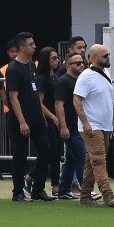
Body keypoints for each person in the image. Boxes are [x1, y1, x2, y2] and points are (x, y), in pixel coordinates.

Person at [71, 43, 114, 208]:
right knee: (99, 160)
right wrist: (85, 123)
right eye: (105, 56)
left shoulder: (105, 73)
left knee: (92, 160)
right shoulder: (86, 76)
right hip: (92, 125)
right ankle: (107, 194)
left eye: (108, 55)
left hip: (104, 125)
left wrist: (111, 120)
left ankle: (85, 194)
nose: (108, 58)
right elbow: (77, 100)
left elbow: (106, 100)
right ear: (93, 58)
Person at [5, 32, 55, 202]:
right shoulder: (13, 69)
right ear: (22, 47)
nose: (34, 47)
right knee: (20, 155)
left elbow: (33, 93)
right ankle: (17, 192)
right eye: (31, 44)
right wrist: (22, 121)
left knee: (46, 151)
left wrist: (41, 115)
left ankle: (38, 189)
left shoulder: (32, 66)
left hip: (36, 119)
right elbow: (13, 97)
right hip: (21, 121)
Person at [53, 51, 88, 200]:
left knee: (71, 160)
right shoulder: (63, 81)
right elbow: (58, 105)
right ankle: (86, 189)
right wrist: (63, 126)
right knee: (82, 156)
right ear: (68, 65)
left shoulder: (80, 80)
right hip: (70, 126)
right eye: (78, 63)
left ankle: (64, 190)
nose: (81, 66)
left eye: (83, 63)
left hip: (78, 125)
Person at [36, 46, 68, 196]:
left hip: (57, 118)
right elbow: (39, 103)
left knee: (57, 152)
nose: (57, 61)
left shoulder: (56, 76)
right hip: (48, 119)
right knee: (50, 152)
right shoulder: (41, 79)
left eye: (57, 58)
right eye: (53, 58)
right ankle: (41, 181)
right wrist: (52, 116)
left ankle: (55, 185)